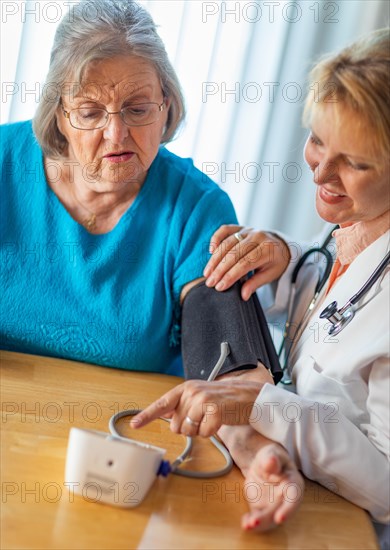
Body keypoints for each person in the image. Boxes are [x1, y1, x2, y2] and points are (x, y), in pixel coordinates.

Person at [131, 27, 390, 542]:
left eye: (354, 163)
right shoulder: (355, 226)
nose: (321, 174)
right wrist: (284, 254)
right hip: (296, 489)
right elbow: (330, 312)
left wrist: (254, 402)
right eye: (318, 140)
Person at [0, 0, 237, 374]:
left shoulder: (197, 209)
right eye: (90, 113)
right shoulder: (4, 163)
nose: (116, 134)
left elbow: (224, 367)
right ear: (59, 115)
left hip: (127, 425)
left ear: (166, 106)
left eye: (138, 109)